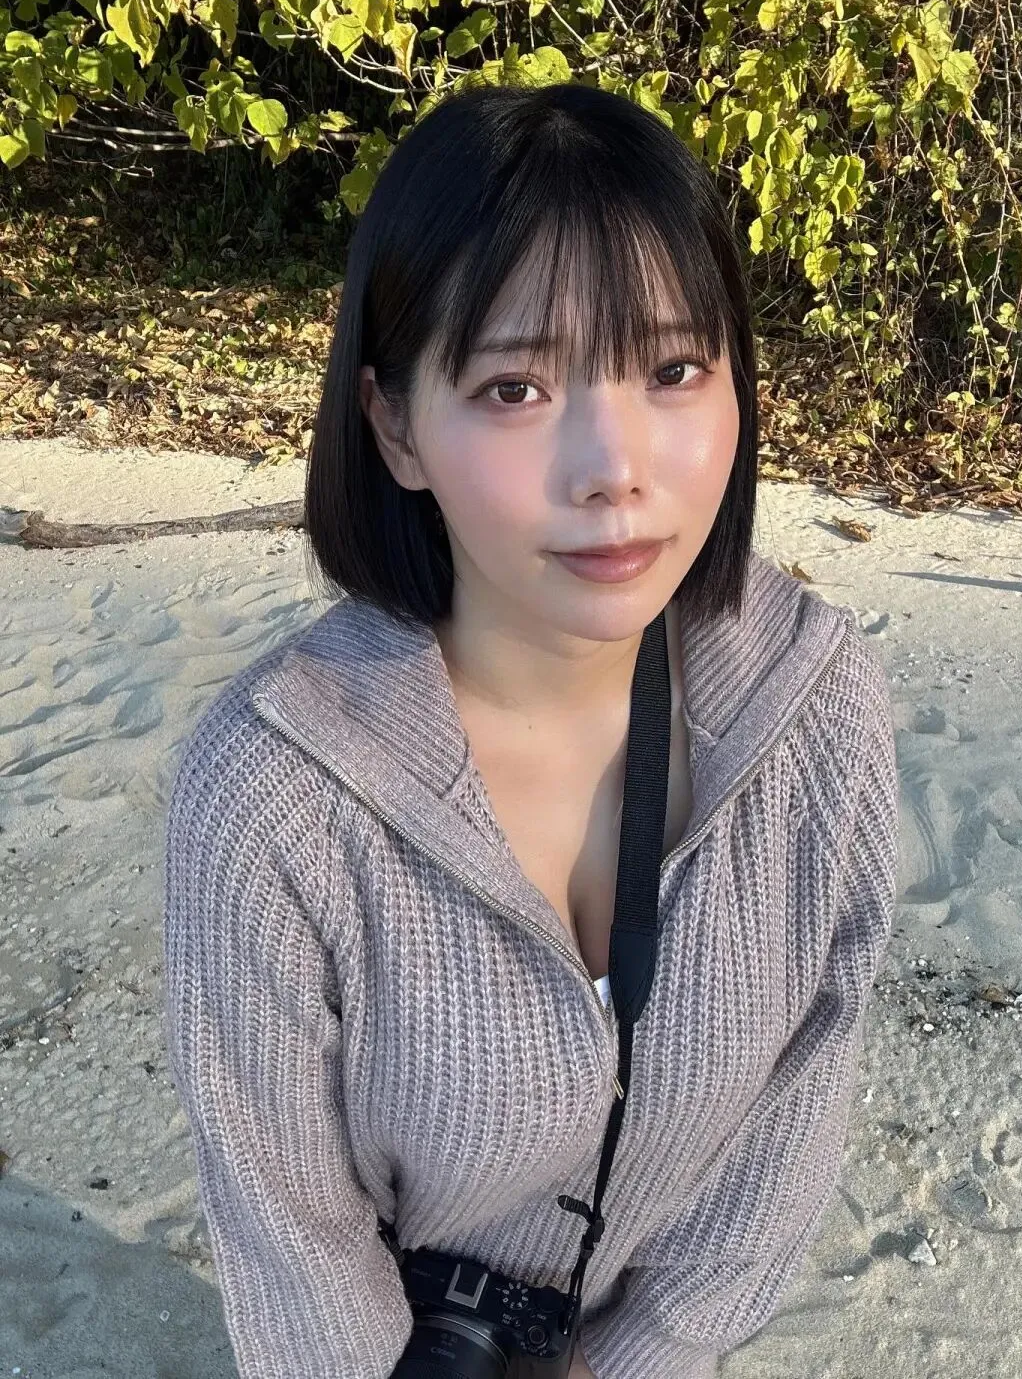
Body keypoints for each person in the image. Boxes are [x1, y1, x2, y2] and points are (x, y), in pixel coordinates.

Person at [161, 81, 900, 1379]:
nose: (613, 466)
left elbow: (804, 1085)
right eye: (515, 387)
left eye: (673, 370)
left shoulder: (814, 703)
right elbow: (290, 1228)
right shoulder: (269, 795)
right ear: (395, 424)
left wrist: (648, 1354)